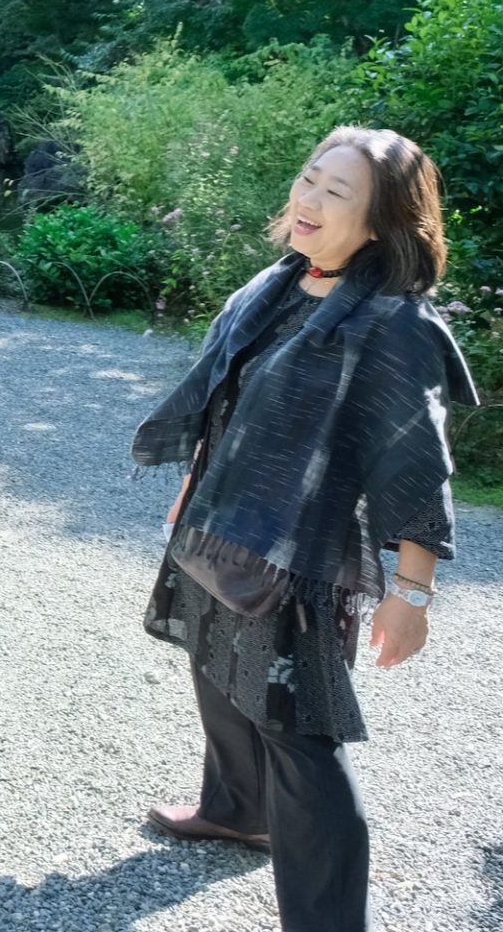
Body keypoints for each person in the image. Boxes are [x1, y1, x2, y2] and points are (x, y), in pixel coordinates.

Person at [134, 127, 476, 932]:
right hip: (221, 529)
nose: (309, 200)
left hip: (299, 556)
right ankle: (236, 809)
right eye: (309, 179)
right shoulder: (279, 284)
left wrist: (412, 593)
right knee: (214, 669)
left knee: (300, 734)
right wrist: (191, 491)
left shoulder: (394, 325)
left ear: (384, 224)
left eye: (337, 193)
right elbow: (229, 404)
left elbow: (416, 463)